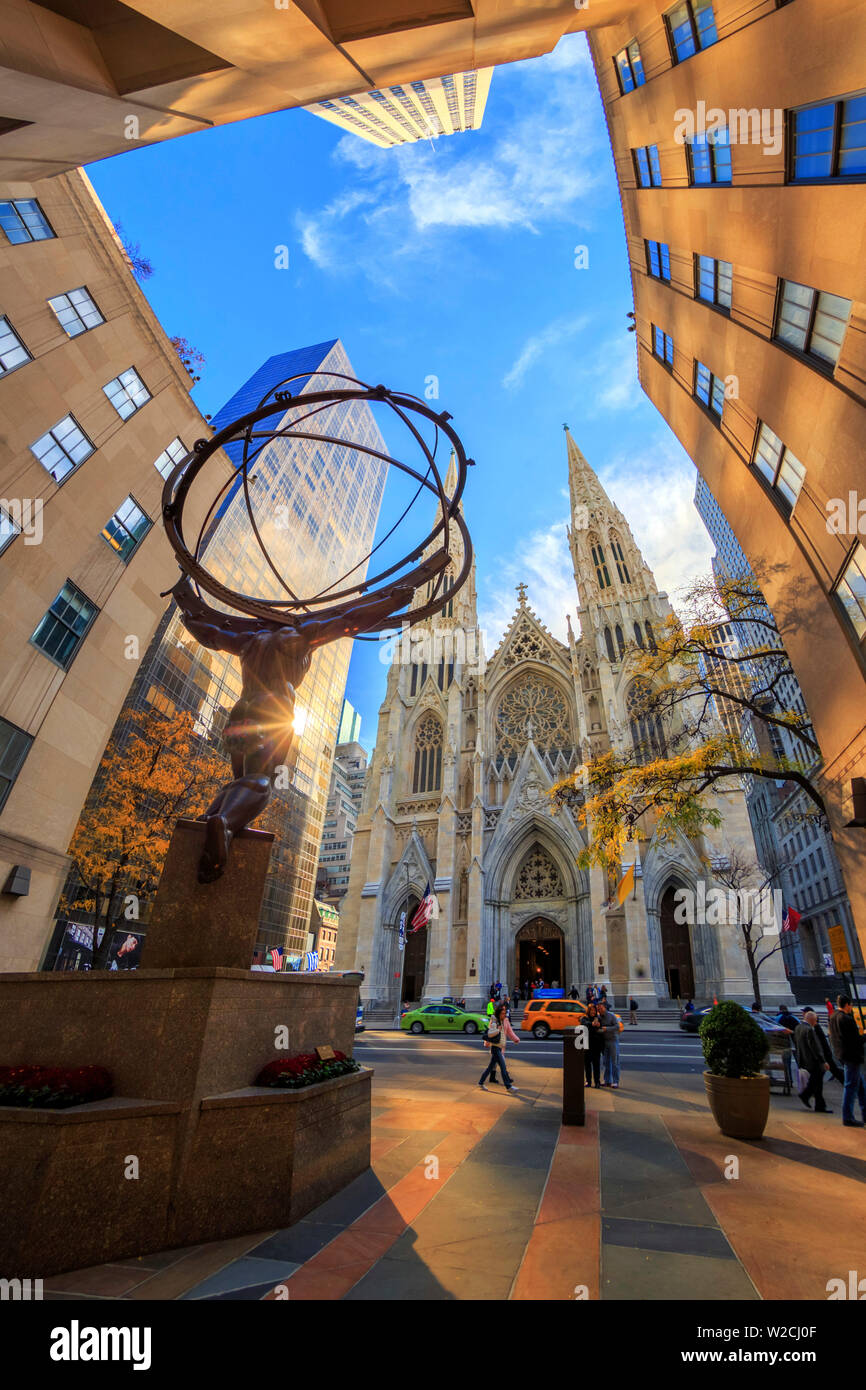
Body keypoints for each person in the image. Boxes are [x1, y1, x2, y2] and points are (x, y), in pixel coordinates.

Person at [828, 994, 866, 1127]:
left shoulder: (833, 1017)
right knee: (850, 1087)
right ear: (847, 1004)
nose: (851, 1007)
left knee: (861, 1087)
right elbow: (856, 1040)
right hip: (852, 1056)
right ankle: (848, 1117)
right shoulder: (847, 1019)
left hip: (842, 1055)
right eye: (851, 1005)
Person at [794, 1011, 833, 1113]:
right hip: (813, 1061)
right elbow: (815, 1047)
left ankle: (819, 1104)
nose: (816, 1023)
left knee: (816, 1081)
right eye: (815, 1020)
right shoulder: (809, 1030)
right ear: (812, 1020)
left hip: (803, 1059)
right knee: (816, 1081)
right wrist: (823, 1061)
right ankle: (806, 1095)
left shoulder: (798, 1027)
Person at [479, 1002, 520, 1093]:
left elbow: (510, 1032)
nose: (504, 1015)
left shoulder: (505, 1020)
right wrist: (487, 1042)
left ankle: (481, 1082)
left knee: (490, 1067)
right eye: (502, 1013)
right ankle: (508, 1086)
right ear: (498, 1013)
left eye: (505, 1013)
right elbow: (490, 1033)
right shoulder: (494, 1021)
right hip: (495, 1047)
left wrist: (515, 1039)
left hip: (501, 1047)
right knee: (503, 1066)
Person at [598, 1000, 623, 1088]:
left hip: (613, 1040)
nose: (600, 1010)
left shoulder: (611, 1016)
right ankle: (607, 1080)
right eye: (599, 1008)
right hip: (604, 1042)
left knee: (614, 1061)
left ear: (605, 1008)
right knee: (606, 1062)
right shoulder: (599, 1017)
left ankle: (615, 1081)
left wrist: (606, 1029)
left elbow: (617, 1027)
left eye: (601, 1008)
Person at [583, 1002, 603, 1087]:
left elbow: (601, 1029)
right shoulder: (585, 1018)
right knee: (587, 1064)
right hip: (587, 1044)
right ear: (588, 1010)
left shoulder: (598, 1018)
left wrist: (599, 1025)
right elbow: (584, 1025)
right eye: (591, 1010)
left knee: (596, 1064)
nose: (593, 1012)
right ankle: (588, 1081)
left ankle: (597, 1082)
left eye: (594, 1010)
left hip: (596, 1045)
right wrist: (592, 1024)